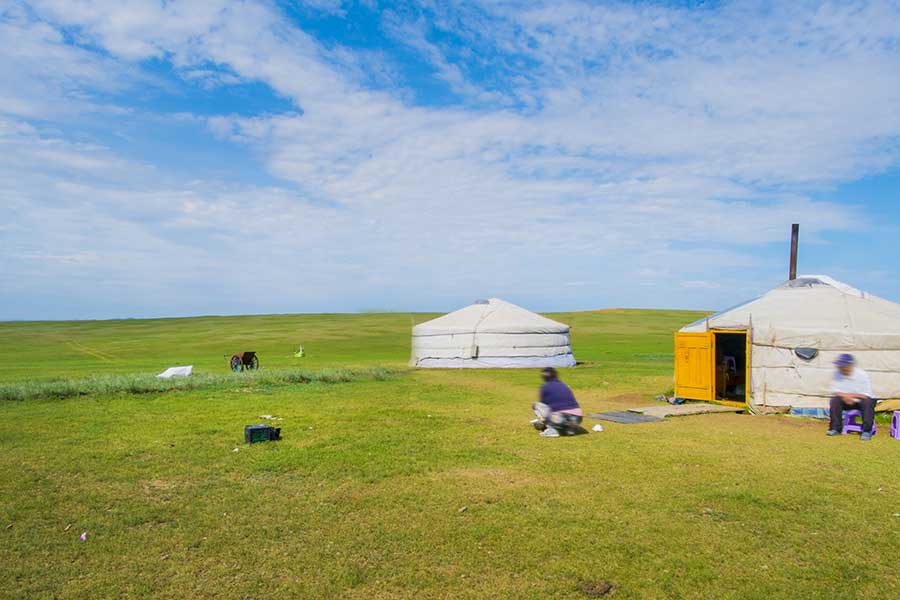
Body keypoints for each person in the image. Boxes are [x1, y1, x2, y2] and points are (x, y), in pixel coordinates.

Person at [827, 353, 876, 441]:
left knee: (867, 402)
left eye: (842, 366)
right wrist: (845, 397)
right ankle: (835, 428)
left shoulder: (861, 374)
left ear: (850, 365)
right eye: (839, 366)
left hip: (862, 400)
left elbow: (866, 394)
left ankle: (866, 431)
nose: (840, 368)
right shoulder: (836, 374)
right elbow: (835, 390)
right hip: (845, 400)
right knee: (834, 400)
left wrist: (850, 396)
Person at [531, 367, 583, 437]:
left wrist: (543, 422)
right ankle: (569, 429)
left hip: (561, 417)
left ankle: (552, 429)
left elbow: (544, 405)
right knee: (562, 412)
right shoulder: (565, 385)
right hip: (578, 418)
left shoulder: (545, 387)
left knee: (536, 405)